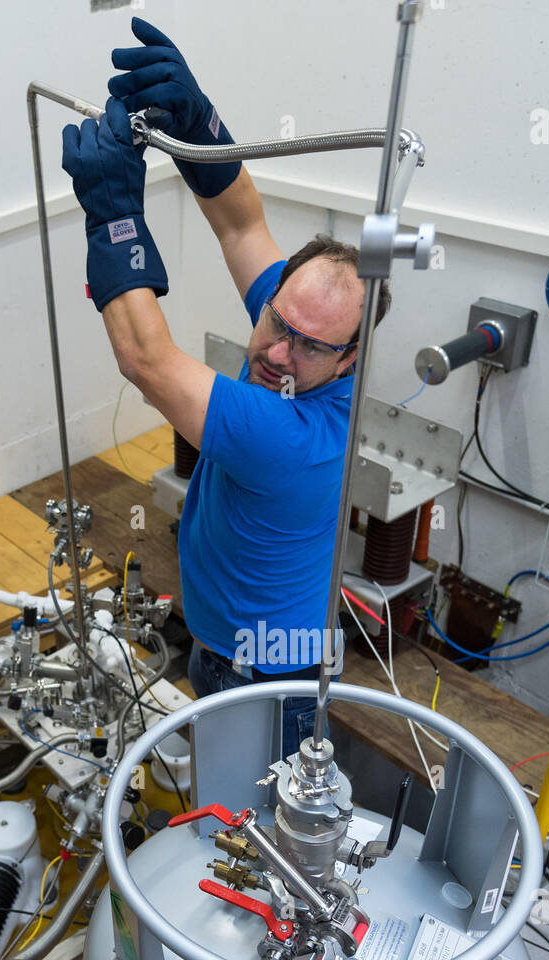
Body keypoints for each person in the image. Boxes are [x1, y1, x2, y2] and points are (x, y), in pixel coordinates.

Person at [62, 19, 391, 754]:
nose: (276, 352)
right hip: (252, 647)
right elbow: (242, 225)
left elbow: (146, 359)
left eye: (309, 346)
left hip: (262, 678)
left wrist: (112, 215)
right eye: (277, 320)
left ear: (350, 361)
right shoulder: (302, 327)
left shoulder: (291, 436)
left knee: (250, 846)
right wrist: (200, 121)